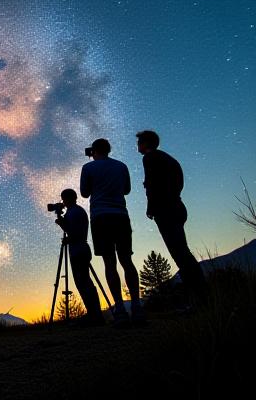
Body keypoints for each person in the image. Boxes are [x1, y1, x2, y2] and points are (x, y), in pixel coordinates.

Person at [136, 130, 208, 305]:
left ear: (146, 143)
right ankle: (202, 296)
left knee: (180, 254)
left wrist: (150, 207)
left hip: (166, 209)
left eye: (139, 143)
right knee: (183, 252)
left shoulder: (149, 158)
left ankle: (201, 299)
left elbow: (152, 184)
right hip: (177, 206)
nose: (137, 146)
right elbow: (176, 183)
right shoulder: (168, 159)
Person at [79, 138, 144, 326]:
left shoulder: (88, 168)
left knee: (109, 263)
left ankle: (121, 310)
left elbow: (84, 193)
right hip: (121, 215)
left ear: (94, 151)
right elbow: (127, 190)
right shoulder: (121, 166)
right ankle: (137, 308)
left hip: (100, 217)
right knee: (127, 260)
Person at [54, 189, 104, 327]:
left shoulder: (74, 212)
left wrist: (62, 224)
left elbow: (75, 233)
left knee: (84, 283)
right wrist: (63, 222)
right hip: (80, 249)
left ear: (67, 198)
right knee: (84, 282)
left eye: (63, 199)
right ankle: (94, 314)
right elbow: (73, 231)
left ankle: (95, 315)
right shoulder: (76, 211)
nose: (62, 202)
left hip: (78, 250)